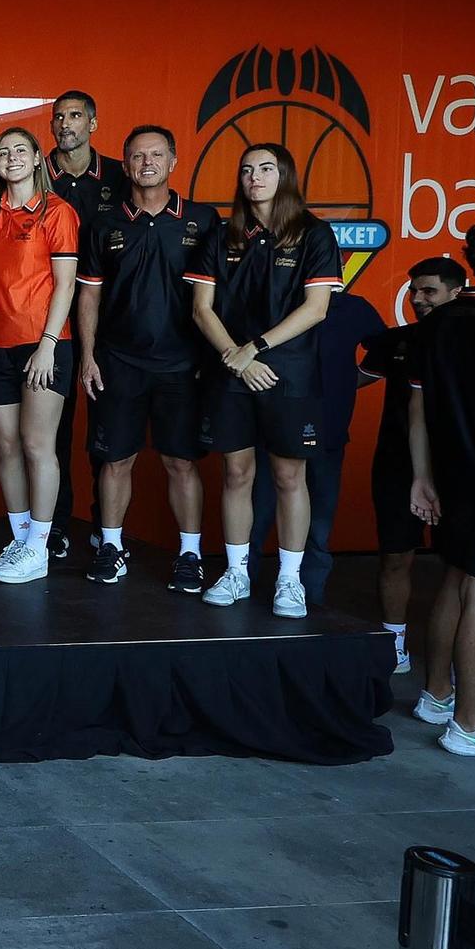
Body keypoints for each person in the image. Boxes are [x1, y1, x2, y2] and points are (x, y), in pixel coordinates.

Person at [187, 142, 343, 618]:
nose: (255, 177)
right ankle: (237, 572)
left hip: (287, 375)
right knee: (236, 473)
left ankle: (289, 581)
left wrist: (254, 349)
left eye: (266, 168)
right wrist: (236, 358)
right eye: (247, 169)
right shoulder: (222, 233)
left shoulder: (313, 234)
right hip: (233, 373)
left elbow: (316, 310)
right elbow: (201, 308)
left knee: (289, 475)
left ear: (286, 175)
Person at [74, 125, 220, 591]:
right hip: (119, 361)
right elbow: (89, 298)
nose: (147, 163)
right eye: (137, 156)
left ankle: (191, 556)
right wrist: (89, 355)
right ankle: (113, 548)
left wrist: (214, 356)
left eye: (157, 154)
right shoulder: (104, 223)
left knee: (181, 462)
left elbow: (219, 299)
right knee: (116, 460)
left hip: (183, 365)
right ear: (126, 163)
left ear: (174, 161)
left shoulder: (202, 219)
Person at [406, 217, 475, 760]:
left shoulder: (441, 322)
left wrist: (423, 476)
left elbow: (419, 406)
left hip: (454, 474)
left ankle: (435, 696)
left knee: (454, 578)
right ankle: (469, 727)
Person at [0, 128, 80, 585]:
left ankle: (39, 546)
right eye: (3, 152)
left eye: (20, 151)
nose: (11, 158)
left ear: (37, 158)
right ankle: (20, 539)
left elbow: (67, 283)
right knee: (7, 445)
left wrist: (47, 345)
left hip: (43, 347)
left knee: (37, 445)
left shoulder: (58, 212)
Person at [246, 285, 384, 607]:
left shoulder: (353, 307)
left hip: (329, 431)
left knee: (318, 530)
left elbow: (386, 350)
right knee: (256, 520)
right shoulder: (273, 299)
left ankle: (310, 602)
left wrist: (352, 379)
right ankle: (241, 590)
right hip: (275, 431)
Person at [360, 257, 465, 670]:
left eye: (429, 291)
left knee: (461, 568)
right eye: (415, 291)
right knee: (395, 556)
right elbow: (351, 379)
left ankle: (456, 654)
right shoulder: (395, 341)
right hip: (396, 466)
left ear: (458, 291)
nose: (419, 300)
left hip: (460, 469)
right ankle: (394, 645)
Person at [42, 91, 127, 559]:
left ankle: (104, 527)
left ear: (93, 123)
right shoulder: (35, 170)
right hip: (47, 318)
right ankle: (53, 524)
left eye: (75, 116)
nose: (65, 124)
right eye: (58, 117)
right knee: (51, 430)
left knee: (106, 429)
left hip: (106, 321)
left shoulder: (118, 174)